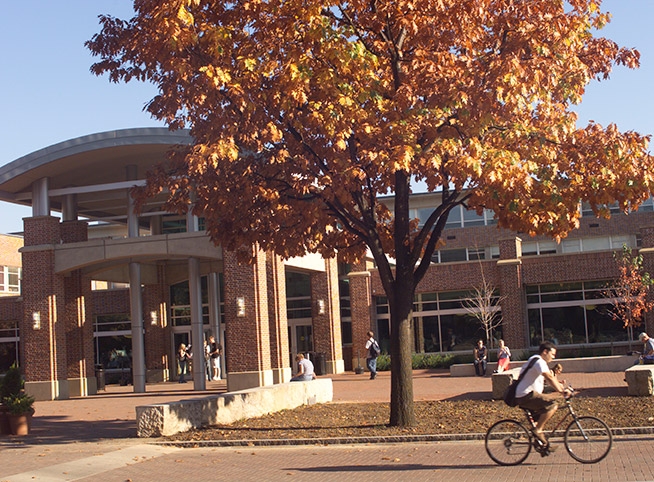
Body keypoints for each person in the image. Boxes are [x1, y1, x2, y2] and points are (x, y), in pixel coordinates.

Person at [515, 341, 572, 448]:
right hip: (527, 395)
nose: (554, 357)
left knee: (538, 419)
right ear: (545, 352)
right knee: (552, 405)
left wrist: (561, 386)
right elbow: (549, 377)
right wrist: (562, 391)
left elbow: (549, 378)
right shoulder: (539, 362)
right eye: (553, 354)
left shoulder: (535, 360)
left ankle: (542, 446)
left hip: (525, 395)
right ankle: (538, 430)